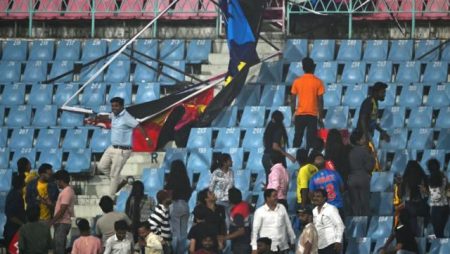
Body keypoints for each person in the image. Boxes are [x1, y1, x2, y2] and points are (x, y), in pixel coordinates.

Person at [96, 97, 153, 198]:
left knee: (114, 174)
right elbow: (109, 116)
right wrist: (99, 117)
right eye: (113, 106)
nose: (114, 108)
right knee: (101, 166)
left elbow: (139, 126)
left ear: (122, 106)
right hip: (112, 147)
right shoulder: (114, 114)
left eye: (116, 106)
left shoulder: (126, 117)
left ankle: (111, 197)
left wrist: (147, 139)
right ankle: (121, 181)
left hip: (123, 150)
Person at [290, 57, 325, 150]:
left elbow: (293, 100)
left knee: (297, 138)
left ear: (303, 68)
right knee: (311, 141)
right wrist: (320, 117)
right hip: (312, 115)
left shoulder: (297, 82)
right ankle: (309, 160)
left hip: (300, 114)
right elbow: (320, 101)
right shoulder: (318, 82)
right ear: (314, 67)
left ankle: (294, 158)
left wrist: (293, 113)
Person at [251, 189, 296, 253]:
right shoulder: (259, 212)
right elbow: (255, 231)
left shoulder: (282, 208)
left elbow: (288, 225)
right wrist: (254, 248)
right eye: (274, 196)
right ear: (268, 198)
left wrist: (292, 240)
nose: (276, 198)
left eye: (276, 195)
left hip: (283, 247)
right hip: (268, 249)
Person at [165, 160, 192, 254]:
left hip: (175, 204)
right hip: (185, 204)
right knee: (184, 232)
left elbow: (169, 193)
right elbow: (189, 192)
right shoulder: (186, 178)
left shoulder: (171, 178)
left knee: (175, 232)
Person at [347, 130, 375, 216]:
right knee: (364, 202)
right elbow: (369, 166)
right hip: (363, 177)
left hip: (351, 178)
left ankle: (356, 223)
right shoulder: (364, 151)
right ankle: (365, 223)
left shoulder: (349, 151)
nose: (364, 139)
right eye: (362, 138)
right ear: (358, 141)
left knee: (355, 203)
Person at [262, 110, 296, 181]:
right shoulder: (278, 129)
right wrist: (288, 156)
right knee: (278, 183)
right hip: (274, 158)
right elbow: (275, 146)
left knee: (271, 183)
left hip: (266, 157)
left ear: (272, 119)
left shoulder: (269, 127)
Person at [311, 189, 344, 254]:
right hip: (319, 245)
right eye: (314, 196)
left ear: (324, 198)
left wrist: (338, 241)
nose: (315, 198)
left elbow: (340, 225)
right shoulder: (314, 211)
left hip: (331, 243)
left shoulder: (331, 209)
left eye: (318, 196)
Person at [50, 169, 76, 254]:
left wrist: (51, 222)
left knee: (59, 248)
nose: (57, 183)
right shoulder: (66, 191)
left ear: (61, 181)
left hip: (62, 223)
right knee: (58, 247)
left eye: (57, 181)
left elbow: (62, 210)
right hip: (61, 223)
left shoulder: (67, 191)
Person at [401, 160, 429, 236]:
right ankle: (425, 231)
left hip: (410, 209)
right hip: (422, 208)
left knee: (409, 214)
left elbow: (402, 196)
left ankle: (412, 234)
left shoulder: (405, 179)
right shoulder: (423, 178)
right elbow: (427, 195)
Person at [209, 153, 234, 224]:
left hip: (229, 201)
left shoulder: (231, 172)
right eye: (230, 160)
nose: (232, 161)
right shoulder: (216, 173)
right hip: (219, 201)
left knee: (229, 220)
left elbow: (232, 185)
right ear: (224, 162)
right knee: (224, 220)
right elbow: (211, 187)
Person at [426, 159, 448, 238]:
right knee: (441, 232)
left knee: (437, 233)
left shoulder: (429, 178)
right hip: (445, 206)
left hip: (435, 208)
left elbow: (429, 194)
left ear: (429, 168)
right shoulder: (443, 176)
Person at [225, 187, 251, 254]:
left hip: (240, 243)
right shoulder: (245, 204)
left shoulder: (237, 214)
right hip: (246, 240)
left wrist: (225, 237)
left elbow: (241, 231)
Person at [3, 175, 26, 247]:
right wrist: (23, 225)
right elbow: (11, 216)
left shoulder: (14, 193)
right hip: (13, 231)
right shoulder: (15, 196)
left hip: (14, 230)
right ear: (21, 183)